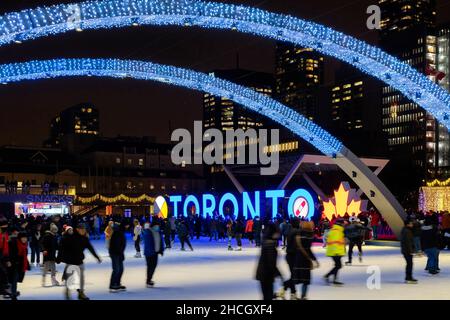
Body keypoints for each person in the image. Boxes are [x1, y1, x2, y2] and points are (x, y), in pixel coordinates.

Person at [56, 223, 102, 300]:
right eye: (82, 229)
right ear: (77, 229)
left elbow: (90, 248)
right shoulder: (70, 238)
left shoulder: (84, 238)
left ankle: (81, 293)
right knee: (69, 279)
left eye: (85, 229)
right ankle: (67, 292)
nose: (84, 231)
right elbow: (62, 248)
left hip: (79, 261)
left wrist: (96, 257)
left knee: (81, 278)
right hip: (70, 262)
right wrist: (59, 258)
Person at [255, 223, 282, 301]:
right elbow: (271, 262)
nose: (278, 235)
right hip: (266, 274)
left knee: (266, 296)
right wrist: (279, 275)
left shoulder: (266, 242)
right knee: (268, 296)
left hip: (263, 274)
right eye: (277, 233)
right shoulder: (270, 244)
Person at [294, 221, 319, 300]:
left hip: (297, 258)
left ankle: (292, 292)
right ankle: (303, 296)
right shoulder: (309, 235)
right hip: (305, 260)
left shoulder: (298, 233)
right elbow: (308, 249)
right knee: (305, 280)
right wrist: (314, 259)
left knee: (296, 278)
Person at [7, 231, 30, 300]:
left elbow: (24, 256)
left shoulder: (24, 245)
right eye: (23, 238)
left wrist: (27, 264)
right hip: (12, 264)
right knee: (13, 279)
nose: (24, 239)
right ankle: (13, 294)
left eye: (25, 238)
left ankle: (11, 292)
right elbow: (9, 253)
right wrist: (8, 261)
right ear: (19, 238)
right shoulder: (13, 244)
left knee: (14, 280)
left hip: (19, 265)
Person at [323, 219, 346, 285]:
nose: (344, 225)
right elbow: (335, 242)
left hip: (334, 251)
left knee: (337, 265)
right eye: (343, 223)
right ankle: (327, 276)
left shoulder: (335, 230)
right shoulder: (337, 231)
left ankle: (334, 279)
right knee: (338, 265)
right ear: (341, 224)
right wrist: (336, 252)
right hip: (335, 252)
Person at [143, 222, 164, 287]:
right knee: (150, 266)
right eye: (156, 226)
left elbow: (160, 242)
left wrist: (161, 250)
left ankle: (149, 279)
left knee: (153, 266)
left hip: (155, 252)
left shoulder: (158, 232)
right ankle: (148, 280)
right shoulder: (148, 232)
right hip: (149, 253)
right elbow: (148, 243)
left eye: (158, 226)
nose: (157, 227)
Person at [109, 220, 127, 292]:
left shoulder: (121, 232)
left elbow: (121, 245)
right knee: (116, 269)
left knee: (121, 269)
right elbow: (116, 245)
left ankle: (117, 283)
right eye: (126, 226)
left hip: (119, 253)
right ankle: (112, 284)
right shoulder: (117, 233)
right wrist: (120, 253)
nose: (127, 227)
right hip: (115, 253)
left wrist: (121, 253)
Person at [401, 219, 417, 284]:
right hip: (407, 250)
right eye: (411, 223)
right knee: (410, 264)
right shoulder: (407, 231)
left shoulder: (405, 230)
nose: (412, 224)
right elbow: (408, 242)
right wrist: (410, 250)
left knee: (409, 264)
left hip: (405, 250)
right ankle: (408, 277)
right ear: (407, 224)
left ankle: (409, 277)